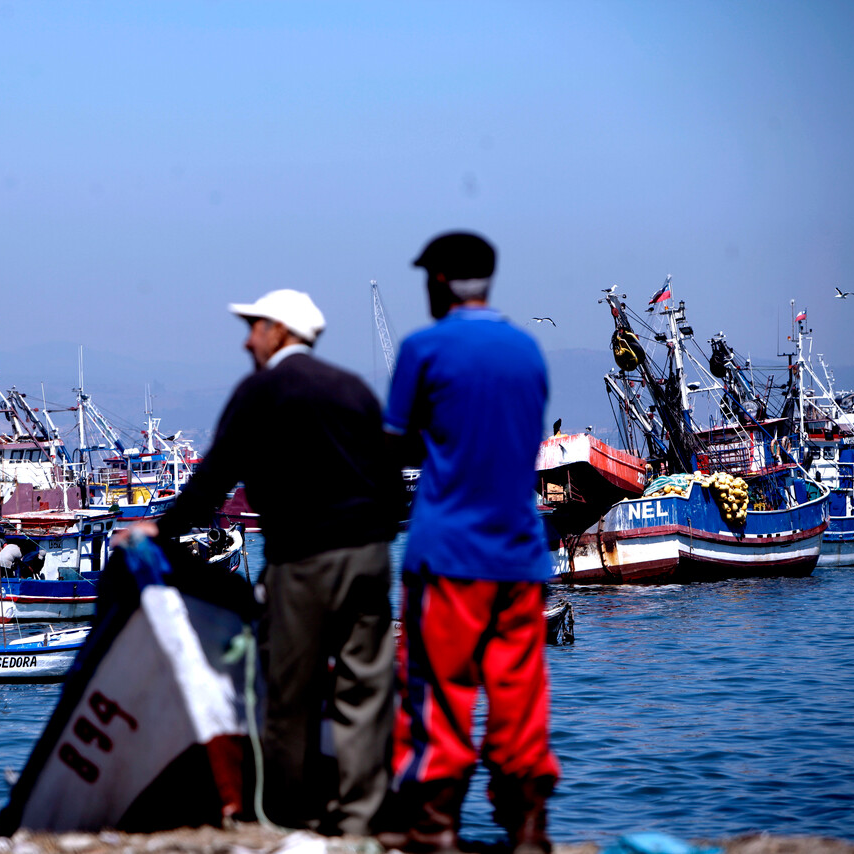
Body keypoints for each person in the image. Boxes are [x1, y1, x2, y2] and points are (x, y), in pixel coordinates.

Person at [118, 289, 404, 836]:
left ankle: (291, 819)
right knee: (364, 689)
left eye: (254, 326)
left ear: (280, 331)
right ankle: (361, 822)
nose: (247, 338)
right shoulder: (353, 389)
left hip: (301, 560)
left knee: (287, 691)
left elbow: (215, 477)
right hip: (366, 558)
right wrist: (373, 539)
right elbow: (391, 484)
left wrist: (163, 527)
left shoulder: (261, 390)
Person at [380, 233, 561, 854]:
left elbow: (396, 446)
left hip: (448, 553)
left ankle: (434, 826)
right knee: (519, 690)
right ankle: (529, 827)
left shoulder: (422, 350)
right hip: (520, 552)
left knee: (437, 688)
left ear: (439, 282)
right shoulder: (527, 351)